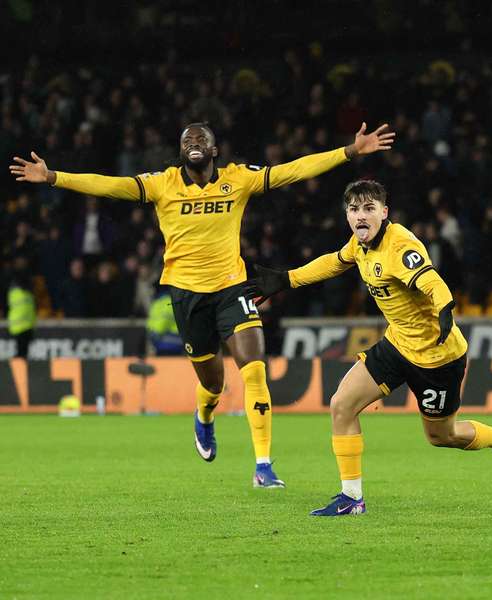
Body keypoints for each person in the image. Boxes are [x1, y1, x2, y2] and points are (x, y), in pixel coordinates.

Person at [9, 121, 394, 488]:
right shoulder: (163, 184)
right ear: (181, 152)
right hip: (187, 295)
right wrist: (54, 176)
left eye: (200, 139)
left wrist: (349, 151)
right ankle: (204, 414)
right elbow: (110, 186)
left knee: (255, 371)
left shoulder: (236, 179)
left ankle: (263, 466)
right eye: (186, 141)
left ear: (213, 149)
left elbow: (291, 171)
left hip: (232, 288)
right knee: (213, 383)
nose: (193, 143)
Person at [248, 180, 492, 516]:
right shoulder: (360, 245)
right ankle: (352, 498)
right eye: (353, 209)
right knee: (341, 405)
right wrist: (288, 279)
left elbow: (429, 278)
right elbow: (334, 261)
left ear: (384, 213)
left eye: (368, 208)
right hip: (397, 344)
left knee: (442, 436)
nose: (360, 216)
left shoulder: (399, 246)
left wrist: (445, 305)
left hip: (437, 357)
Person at [6, 257, 36, 358]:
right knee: (21, 354)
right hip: (19, 325)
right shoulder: (15, 278)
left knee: (23, 354)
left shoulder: (27, 281)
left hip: (26, 324)